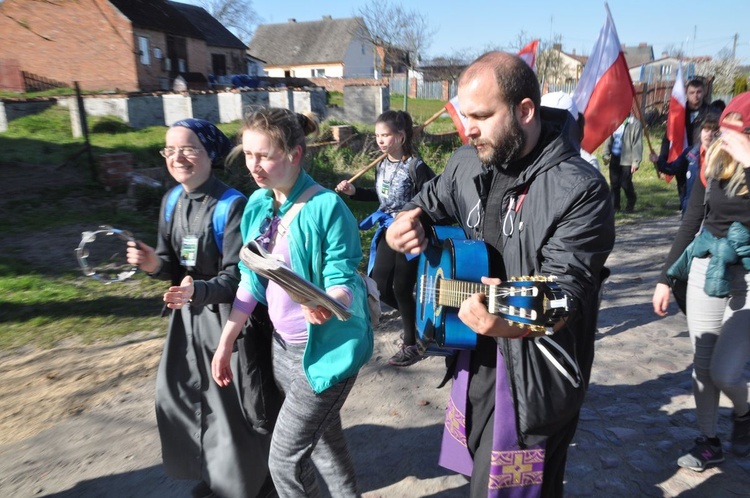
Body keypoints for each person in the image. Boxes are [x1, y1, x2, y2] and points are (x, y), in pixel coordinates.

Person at [386, 52, 615, 497]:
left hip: (534, 372)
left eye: (481, 116)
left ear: (525, 111)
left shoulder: (581, 189)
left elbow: (565, 293)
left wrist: (507, 314)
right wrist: (409, 222)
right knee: (477, 472)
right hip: (473, 356)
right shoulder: (467, 161)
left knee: (516, 489)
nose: (467, 128)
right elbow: (431, 200)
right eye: (463, 115)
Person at [211, 108, 373, 497]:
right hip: (283, 350)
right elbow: (250, 279)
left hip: (327, 354)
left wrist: (325, 300)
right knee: (326, 446)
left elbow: (343, 275)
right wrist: (226, 341)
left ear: (295, 155)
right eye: (248, 155)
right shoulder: (257, 205)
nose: (254, 165)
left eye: (264, 155)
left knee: (284, 460)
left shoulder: (326, 207)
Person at [126, 118, 275, 498]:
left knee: (232, 410)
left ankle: (257, 486)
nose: (177, 157)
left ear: (211, 155)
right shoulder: (172, 200)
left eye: (188, 148)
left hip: (228, 323)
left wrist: (199, 291)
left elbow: (239, 277)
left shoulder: (232, 205)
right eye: (170, 149)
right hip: (186, 322)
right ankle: (217, 479)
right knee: (186, 398)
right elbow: (172, 264)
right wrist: (153, 265)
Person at [652, 92, 750, 472]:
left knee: (725, 371)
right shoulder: (713, 161)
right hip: (706, 269)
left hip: (746, 276)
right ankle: (709, 441)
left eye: (734, 134)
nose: (722, 141)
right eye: (722, 132)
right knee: (703, 365)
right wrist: (665, 277)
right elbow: (692, 222)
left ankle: (744, 412)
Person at [336, 110, 436, 367]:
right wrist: (354, 191)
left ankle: (412, 345)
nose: (380, 140)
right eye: (377, 135)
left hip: (409, 233)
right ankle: (415, 322)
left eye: (386, 135)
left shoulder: (417, 167)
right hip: (386, 230)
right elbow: (382, 198)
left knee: (402, 288)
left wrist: (416, 222)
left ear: (401, 137)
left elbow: (435, 198)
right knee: (379, 287)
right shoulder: (382, 164)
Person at [651, 78, 714, 205]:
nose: (696, 95)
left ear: (704, 92)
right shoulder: (679, 112)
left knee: (703, 197)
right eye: (692, 92)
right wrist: (661, 159)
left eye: (698, 92)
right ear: (686, 93)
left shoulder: (711, 113)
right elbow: (669, 136)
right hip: (682, 157)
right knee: (684, 195)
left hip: (704, 158)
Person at [655, 115, 719, 214]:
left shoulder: (722, 156)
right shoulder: (690, 153)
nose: (709, 135)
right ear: (700, 133)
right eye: (706, 130)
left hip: (713, 209)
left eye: (713, 131)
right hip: (692, 207)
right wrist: (658, 160)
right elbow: (672, 168)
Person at [603, 113, 643, 212]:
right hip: (615, 157)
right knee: (614, 184)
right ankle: (615, 207)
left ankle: (631, 202)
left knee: (625, 183)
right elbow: (609, 139)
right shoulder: (614, 121)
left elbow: (637, 144)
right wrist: (606, 153)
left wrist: (636, 162)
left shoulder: (635, 124)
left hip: (627, 159)